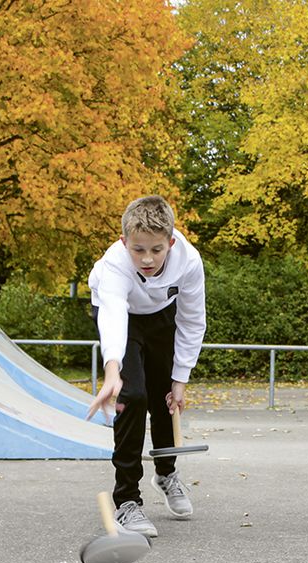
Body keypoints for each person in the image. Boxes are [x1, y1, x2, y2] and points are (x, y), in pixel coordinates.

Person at [85, 195, 207, 538]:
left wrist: (180, 379)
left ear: (170, 242)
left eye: (156, 249)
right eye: (138, 250)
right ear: (124, 243)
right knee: (133, 395)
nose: (147, 259)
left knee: (165, 395)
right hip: (122, 316)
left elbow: (193, 321)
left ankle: (166, 473)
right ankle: (127, 501)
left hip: (162, 315)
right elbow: (112, 315)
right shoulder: (113, 266)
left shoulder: (189, 261)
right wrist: (112, 371)